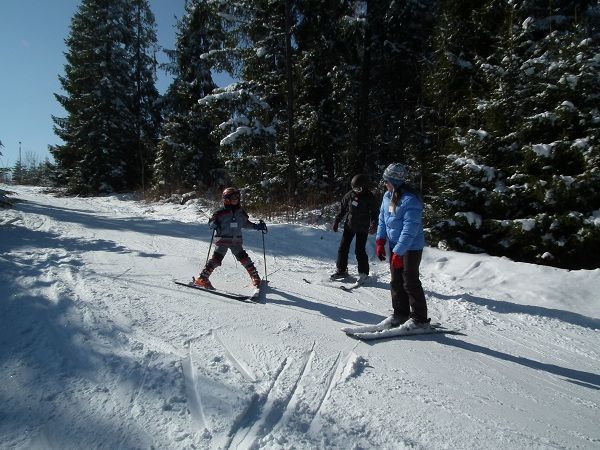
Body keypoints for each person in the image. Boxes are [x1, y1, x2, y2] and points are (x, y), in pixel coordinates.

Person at [375, 163, 430, 330]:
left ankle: (419, 319)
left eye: (387, 180)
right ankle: (401, 313)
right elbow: (382, 220)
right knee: (396, 280)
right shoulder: (387, 197)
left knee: (410, 281)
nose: (384, 183)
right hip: (394, 246)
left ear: (395, 181)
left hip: (411, 248)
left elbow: (410, 229)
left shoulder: (410, 200)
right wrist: (380, 240)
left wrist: (399, 252)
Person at [194, 187, 267, 289]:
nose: (236, 199)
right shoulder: (220, 212)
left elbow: (245, 223)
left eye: (237, 197)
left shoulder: (240, 212)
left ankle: (255, 277)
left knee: (244, 258)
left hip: (236, 240)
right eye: (233, 197)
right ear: (226, 198)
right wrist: (213, 223)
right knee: (216, 259)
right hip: (223, 240)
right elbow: (211, 223)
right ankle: (202, 279)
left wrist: (256, 226)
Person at [331, 174, 379, 281]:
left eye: (358, 188)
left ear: (364, 187)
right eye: (354, 188)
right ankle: (341, 270)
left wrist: (374, 224)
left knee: (360, 250)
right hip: (350, 226)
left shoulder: (369, 197)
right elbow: (342, 209)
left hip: (363, 228)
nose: (356, 190)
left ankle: (363, 273)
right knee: (343, 247)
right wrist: (336, 221)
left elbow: (374, 213)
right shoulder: (350, 195)